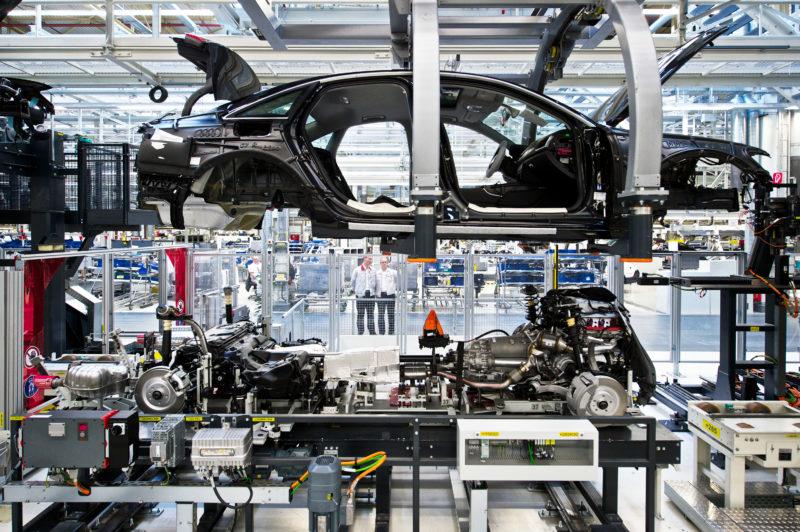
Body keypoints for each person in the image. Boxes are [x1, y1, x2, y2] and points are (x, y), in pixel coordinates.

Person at [351, 255, 376, 334]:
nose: (370, 260)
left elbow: (375, 282)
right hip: (361, 295)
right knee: (360, 314)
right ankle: (360, 332)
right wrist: (357, 291)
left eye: (371, 259)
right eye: (369, 258)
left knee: (370, 314)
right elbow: (353, 282)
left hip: (371, 295)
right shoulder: (357, 270)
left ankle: (372, 331)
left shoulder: (373, 270)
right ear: (364, 259)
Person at [375, 256, 398, 335]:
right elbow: (375, 285)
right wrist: (375, 296)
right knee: (381, 315)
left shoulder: (393, 272)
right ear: (380, 263)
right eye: (382, 262)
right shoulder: (377, 273)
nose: (384, 263)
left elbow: (398, 280)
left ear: (388, 263)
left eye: (385, 262)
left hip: (390, 295)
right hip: (380, 295)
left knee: (391, 314)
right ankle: (382, 332)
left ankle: (391, 331)